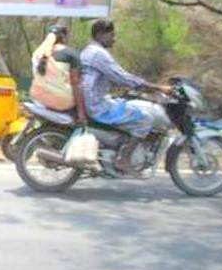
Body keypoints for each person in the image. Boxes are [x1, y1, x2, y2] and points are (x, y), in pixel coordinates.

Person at [80, 19, 171, 173]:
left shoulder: (88, 51)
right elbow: (122, 77)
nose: (114, 39)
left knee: (131, 106)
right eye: (112, 35)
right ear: (101, 34)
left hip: (94, 100)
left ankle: (122, 147)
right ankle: (124, 159)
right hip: (98, 106)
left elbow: (107, 77)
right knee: (145, 119)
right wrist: (156, 87)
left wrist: (131, 88)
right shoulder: (99, 54)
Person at [30, 23, 87, 125]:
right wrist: (81, 112)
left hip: (38, 99)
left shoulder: (38, 54)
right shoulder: (71, 54)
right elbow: (76, 83)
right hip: (61, 102)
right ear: (64, 38)